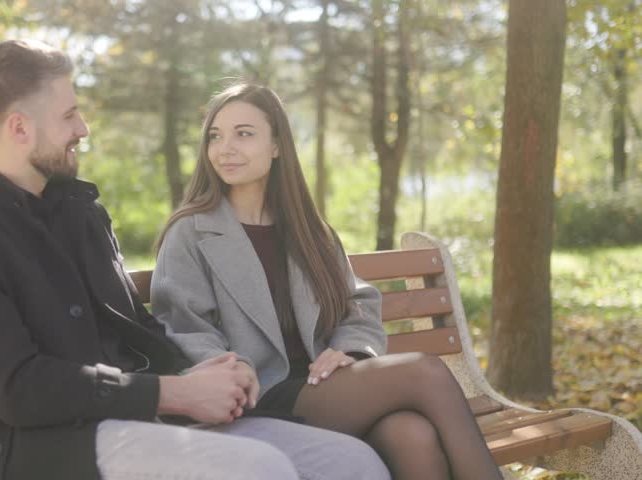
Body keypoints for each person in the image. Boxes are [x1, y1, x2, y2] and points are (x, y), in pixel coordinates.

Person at [0, 40, 391, 480]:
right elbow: (18, 388)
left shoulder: (82, 215)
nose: (83, 129)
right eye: (69, 116)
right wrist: (173, 392)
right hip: (50, 446)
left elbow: (137, 328)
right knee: (257, 468)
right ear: (19, 127)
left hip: (145, 416)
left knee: (352, 462)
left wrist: (211, 371)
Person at [151, 82, 504, 480]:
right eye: (215, 136)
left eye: (244, 134)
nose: (225, 147)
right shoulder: (191, 232)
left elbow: (358, 304)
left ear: (277, 145)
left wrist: (350, 351)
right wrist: (234, 374)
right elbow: (183, 327)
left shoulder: (309, 231)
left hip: (323, 386)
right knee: (425, 372)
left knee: (413, 435)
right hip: (259, 395)